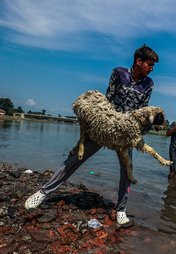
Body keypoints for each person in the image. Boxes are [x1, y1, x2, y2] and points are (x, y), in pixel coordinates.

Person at [25, 44, 159, 228]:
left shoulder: (149, 84)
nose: (151, 69)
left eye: (153, 66)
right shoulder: (119, 73)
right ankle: (43, 192)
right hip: (106, 127)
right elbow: (108, 99)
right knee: (76, 158)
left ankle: (121, 210)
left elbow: (143, 110)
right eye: (149, 64)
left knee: (127, 172)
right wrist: (103, 123)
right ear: (138, 61)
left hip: (125, 133)